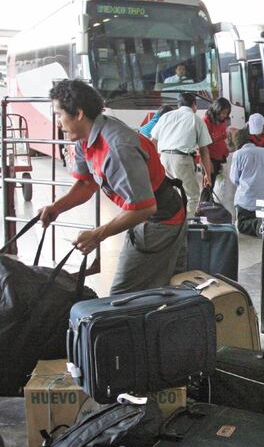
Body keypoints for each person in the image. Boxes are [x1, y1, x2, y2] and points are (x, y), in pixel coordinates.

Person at [38, 79, 187, 295]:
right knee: (162, 289)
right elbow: (86, 184)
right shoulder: (84, 139)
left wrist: (97, 235)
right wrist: (56, 207)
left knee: (122, 296)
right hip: (144, 214)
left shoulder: (118, 147)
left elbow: (144, 208)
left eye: (59, 115)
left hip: (161, 221)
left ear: (78, 113)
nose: (58, 123)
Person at [150, 92, 213, 217]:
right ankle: (187, 228)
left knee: (172, 194)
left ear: (179, 105)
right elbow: (204, 151)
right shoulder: (196, 120)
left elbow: (153, 141)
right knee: (192, 196)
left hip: (164, 159)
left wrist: (154, 163)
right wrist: (208, 175)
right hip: (182, 160)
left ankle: (173, 224)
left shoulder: (166, 116)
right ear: (194, 105)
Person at [229, 127, 264, 236]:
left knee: (241, 225)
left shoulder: (238, 154)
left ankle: (257, 225)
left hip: (247, 202)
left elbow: (234, 179)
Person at [204, 98, 232, 183]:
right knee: (208, 184)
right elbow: (202, 145)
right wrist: (208, 162)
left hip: (220, 156)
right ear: (216, 110)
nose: (225, 116)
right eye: (223, 113)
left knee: (219, 183)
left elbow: (222, 137)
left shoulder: (222, 121)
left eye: (227, 113)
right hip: (210, 158)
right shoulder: (206, 121)